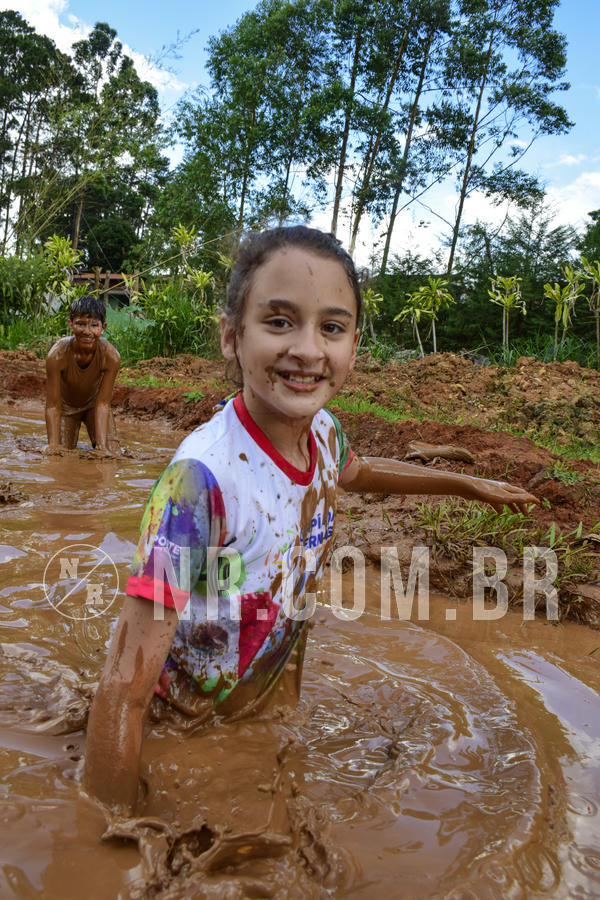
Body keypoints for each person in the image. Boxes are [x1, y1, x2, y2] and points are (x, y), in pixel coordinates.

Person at [83, 226, 537, 814]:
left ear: (353, 343)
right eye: (279, 321)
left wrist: (463, 483)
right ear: (231, 336)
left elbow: (361, 472)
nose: (307, 349)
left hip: (266, 703)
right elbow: (124, 692)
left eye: (331, 327)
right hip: (185, 725)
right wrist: (102, 837)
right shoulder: (200, 483)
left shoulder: (322, 433)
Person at [44, 295, 121, 456]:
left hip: (94, 406)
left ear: (103, 327)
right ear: (70, 324)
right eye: (80, 324)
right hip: (66, 409)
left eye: (94, 325)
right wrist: (53, 445)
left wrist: (101, 447)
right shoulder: (57, 355)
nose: (87, 331)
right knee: (58, 455)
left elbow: (103, 403)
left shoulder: (111, 356)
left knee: (112, 454)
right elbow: (53, 405)